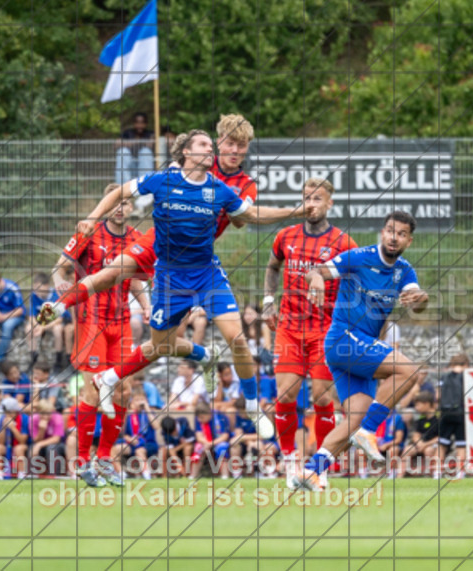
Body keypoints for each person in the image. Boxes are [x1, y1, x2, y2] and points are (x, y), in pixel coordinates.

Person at [64, 129, 306, 441]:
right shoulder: (165, 179)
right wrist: (93, 217)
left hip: (206, 272)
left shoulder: (220, 187)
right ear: (187, 153)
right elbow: (119, 192)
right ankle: (111, 370)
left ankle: (251, 404)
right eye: (206, 145)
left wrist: (293, 212)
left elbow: (250, 216)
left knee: (238, 339)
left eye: (214, 145)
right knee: (159, 344)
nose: (214, 149)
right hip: (167, 271)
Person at [38, 113, 261, 357]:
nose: (235, 150)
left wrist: (230, 202)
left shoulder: (246, 184)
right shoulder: (198, 159)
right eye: (230, 143)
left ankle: (204, 356)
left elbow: (240, 221)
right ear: (220, 141)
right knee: (113, 270)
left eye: (241, 145)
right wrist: (92, 218)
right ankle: (60, 306)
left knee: (170, 341)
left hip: (189, 260)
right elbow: (159, 180)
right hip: (158, 240)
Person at [292, 211, 428, 492]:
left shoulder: (405, 271)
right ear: (382, 231)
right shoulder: (358, 256)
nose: (394, 237)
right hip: (344, 339)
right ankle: (370, 430)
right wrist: (316, 278)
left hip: (360, 349)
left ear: (409, 241)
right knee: (410, 371)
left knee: (354, 418)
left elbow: (417, 301)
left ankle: (311, 471)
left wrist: (421, 299)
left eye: (401, 234)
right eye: (391, 230)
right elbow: (317, 270)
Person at [47, 183, 147, 488]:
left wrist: (148, 307)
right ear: (108, 206)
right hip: (91, 322)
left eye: (127, 203)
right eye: (117, 203)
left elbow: (137, 280)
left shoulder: (137, 239)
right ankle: (81, 462)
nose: (121, 208)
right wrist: (60, 285)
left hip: (123, 323)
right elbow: (59, 268)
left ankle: (104, 459)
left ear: (132, 209)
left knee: (124, 391)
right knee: (92, 392)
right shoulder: (89, 232)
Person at [263, 177, 357, 483]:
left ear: (330, 203)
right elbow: (272, 266)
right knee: (285, 394)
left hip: (326, 331)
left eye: (317, 199)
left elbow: (359, 279)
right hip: (289, 327)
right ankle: (290, 461)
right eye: (306, 198)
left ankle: (320, 467)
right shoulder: (285, 236)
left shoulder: (343, 242)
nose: (311, 204)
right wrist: (268, 301)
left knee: (320, 398)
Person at [26, 272, 70, 370]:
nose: (38, 292)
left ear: (47, 286)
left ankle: (58, 361)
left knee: (58, 330)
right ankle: (33, 358)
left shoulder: (55, 295)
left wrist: (43, 328)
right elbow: (31, 316)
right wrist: (36, 326)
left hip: (55, 321)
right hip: (41, 322)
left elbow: (59, 319)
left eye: (41, 289)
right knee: (29, 329)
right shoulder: (33, 296)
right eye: (36, 289)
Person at [437, 353, 470, 478]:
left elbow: (437, 396)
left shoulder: (444, 377)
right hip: (461, 413)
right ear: (466, 365)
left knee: (442, 444)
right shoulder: (467, 377)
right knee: (461, 444)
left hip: (445, 412)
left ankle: (437, 472)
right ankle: (460, 472)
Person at [115, 112, 155, 187]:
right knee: (123, 152)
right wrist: (138, 142)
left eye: (142, 123)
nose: (140, 125)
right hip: (130, 166)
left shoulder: (150, 133)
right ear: (134, 123)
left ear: (146, 124)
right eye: (137, 122)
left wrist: (131, 143)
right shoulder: (128, 133)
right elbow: (117, 143)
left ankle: (145, 187)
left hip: (145, 167)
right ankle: (124, 188)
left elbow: (152, 144)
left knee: (145, 152)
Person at [29, 398, 66, 476]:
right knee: (31, 449)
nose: (46, 416)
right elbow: (35, 440)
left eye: (48, 413)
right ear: (38, 412)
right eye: (43, 414)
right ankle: (33, 475)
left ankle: (54, 474)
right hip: (41, 443)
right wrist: (41, 430)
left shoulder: (57, 417)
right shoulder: (33, 419)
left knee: (51, 448)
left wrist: (39, 445)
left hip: (57, 444)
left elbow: (56, 439)